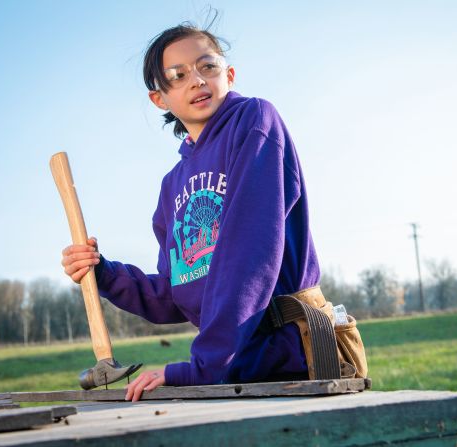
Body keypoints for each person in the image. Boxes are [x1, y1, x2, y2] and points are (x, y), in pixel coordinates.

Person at [60, 22, 321, 401]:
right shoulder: (173, 185)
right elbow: (175, 293)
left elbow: (250, 253)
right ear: (160, 99)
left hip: (292, 358)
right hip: (233, 370)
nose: (196, 80)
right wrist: (103, 273)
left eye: (208, 67)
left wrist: (202, 367)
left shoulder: (255, 122)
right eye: (178, 76)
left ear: (229, 75)